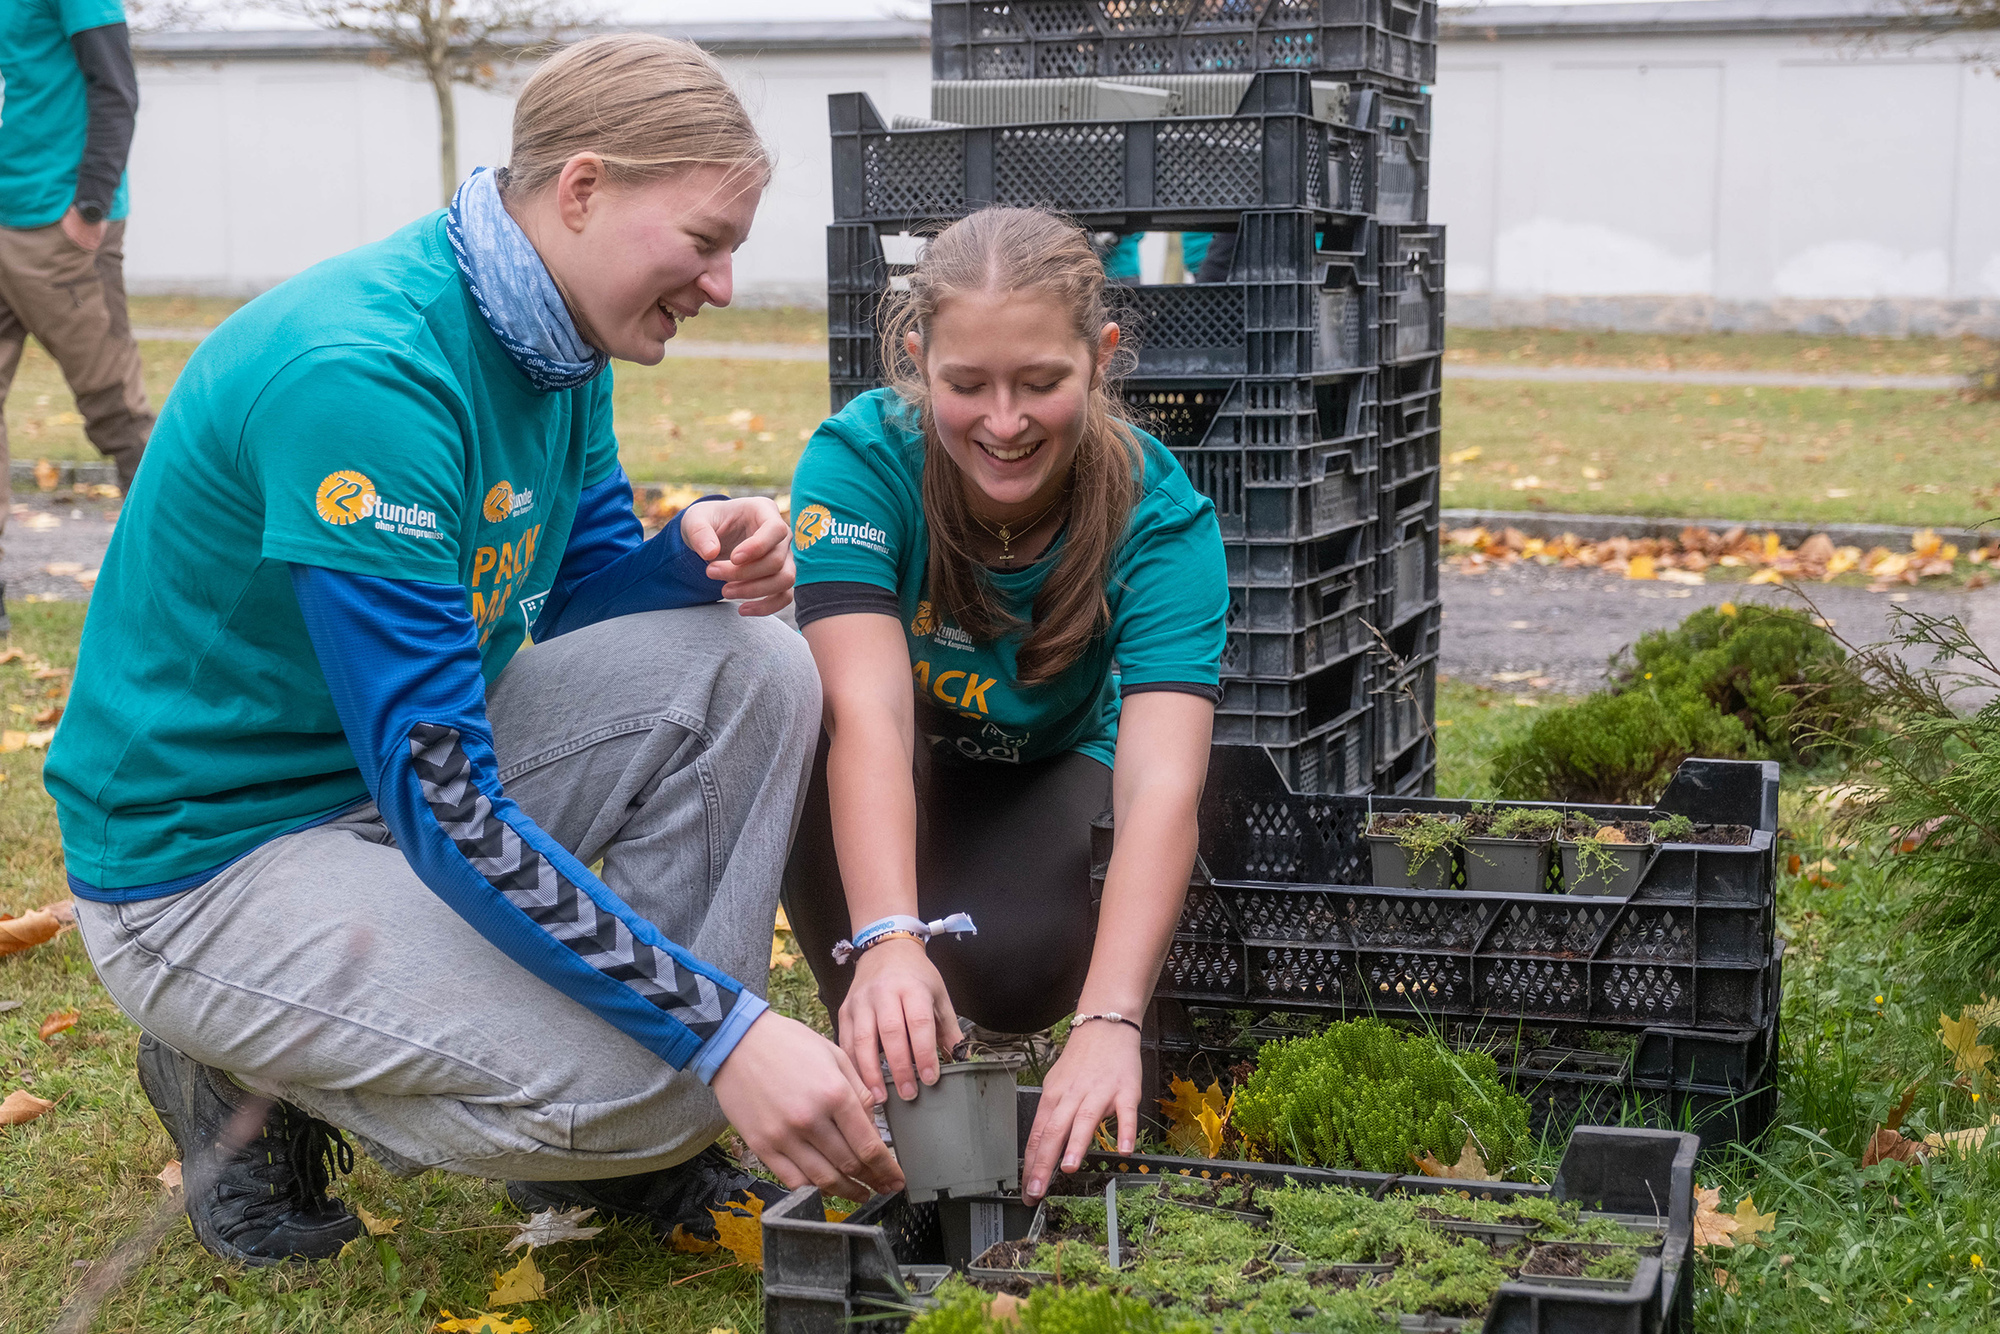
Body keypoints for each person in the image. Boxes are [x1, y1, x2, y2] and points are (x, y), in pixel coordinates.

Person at [47, 33, 900, 1269]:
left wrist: (691, 552)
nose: (718, 285)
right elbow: (443, 793)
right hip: (210, 861)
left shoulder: (551, 335)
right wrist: (720, 1037)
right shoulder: (367, 376)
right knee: (664, 1084)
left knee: (754, 656)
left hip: (370, 788)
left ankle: (635, 1123)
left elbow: (572, 600)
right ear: (584, 188)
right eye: (706, 242)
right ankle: (242, 1056)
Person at [780, 206, 1228, 1204]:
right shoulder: (858, 462)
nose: (1003, 419)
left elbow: (1161, 783)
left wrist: (1109, 1021)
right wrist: (891, 938)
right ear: (916, 356)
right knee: (788, 707)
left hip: (1046, 772)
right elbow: (868, 715)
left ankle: (962, 990)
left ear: (1100, 357)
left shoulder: (1162, 517)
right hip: (899, 762)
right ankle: (874, 1015)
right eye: (965, 383)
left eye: (1040, 381)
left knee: (1015, 976)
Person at [0, 0, 153, 572]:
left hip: (59, 230)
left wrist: (90, 205)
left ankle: (183, 574)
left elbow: (116, 88)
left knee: (117, 410)